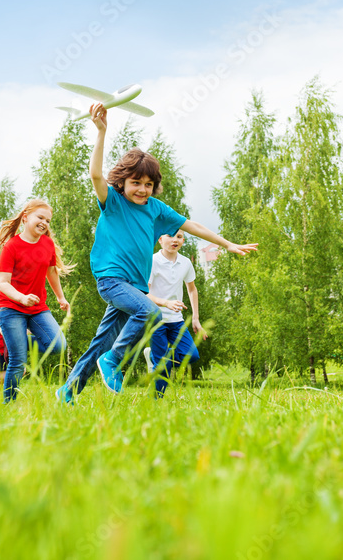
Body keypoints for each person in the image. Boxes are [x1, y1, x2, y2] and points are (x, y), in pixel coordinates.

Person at [56, 103, 257, 402]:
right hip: (112, 279)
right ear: (122, 183)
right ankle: (113, 362)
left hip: (133, 286)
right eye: (135, 183)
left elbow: (191, 225)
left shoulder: (156, 209)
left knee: (103, 341)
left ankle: (67, 391)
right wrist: (101, 132)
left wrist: (227, 243)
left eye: (148, 184)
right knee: (149, 312)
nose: (142, 189)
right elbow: (96, 175)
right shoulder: (112, 202)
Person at [0, 199, 72, 403]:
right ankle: (9, 404)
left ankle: (20, 339)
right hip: (11, 308)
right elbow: (2, 283)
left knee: (58, 345)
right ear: (25, 217)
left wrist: (60, 297)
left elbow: (51, 271)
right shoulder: (12, 247)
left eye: (48, 220)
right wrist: (22, 297)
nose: (44, 223)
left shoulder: (47, 244)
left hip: (38, 309)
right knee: (18, 361)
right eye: (40, 217)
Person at [144, 229, 204, 397]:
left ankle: (157, 359)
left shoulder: (185, 263)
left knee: (191, 355)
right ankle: (156, 400)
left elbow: (192, 290)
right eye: (170, 236)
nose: (175, 240)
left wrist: (196, 318)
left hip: (176, 321)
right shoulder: (152, 261)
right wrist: (166, 303)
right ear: (160, 239)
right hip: (156, 319)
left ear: (183, 240)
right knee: (162, 366)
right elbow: (144, 293)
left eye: (179, 236)